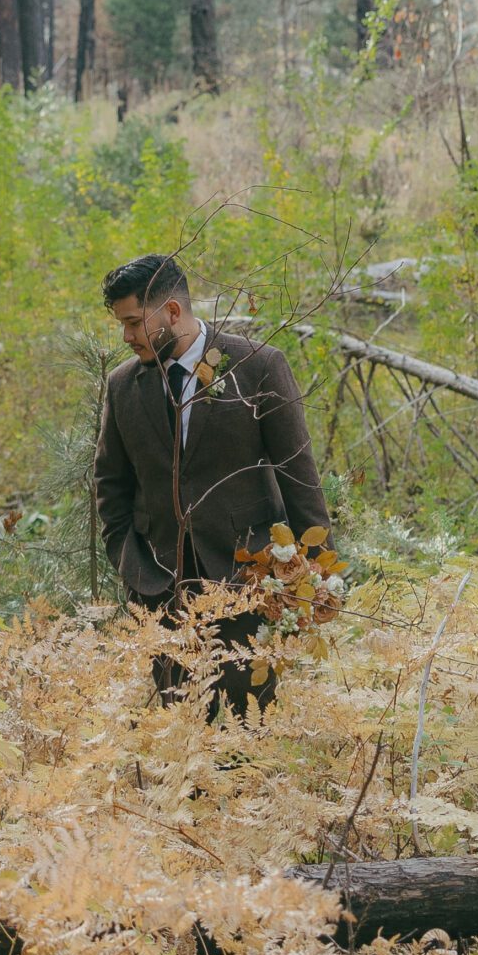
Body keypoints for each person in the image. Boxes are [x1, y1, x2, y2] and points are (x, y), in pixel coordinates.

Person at [92, 252, 330, 717]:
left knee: (246, 734)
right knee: (181, 734)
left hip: (247, 584)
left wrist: (317, 577)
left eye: (135, 322)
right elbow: (110, 484)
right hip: (160, 589)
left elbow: (298, 475)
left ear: (173, 312)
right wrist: (131, 566)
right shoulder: (123, 385)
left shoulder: (258, 366)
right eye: (122, 324)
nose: (127, 336)